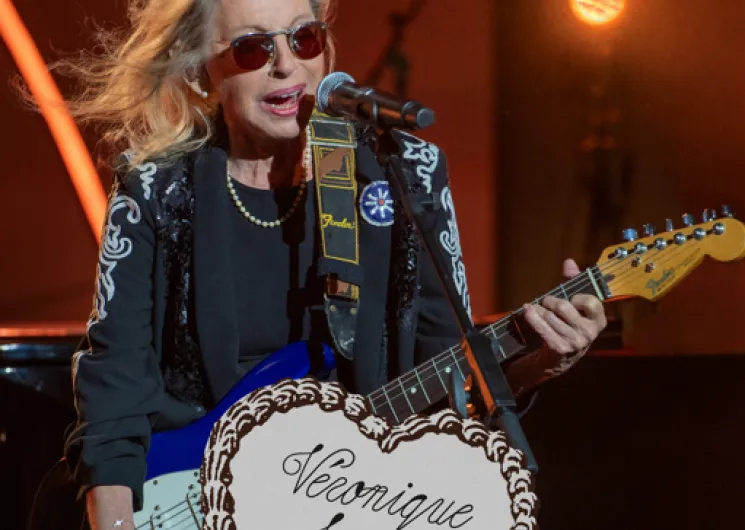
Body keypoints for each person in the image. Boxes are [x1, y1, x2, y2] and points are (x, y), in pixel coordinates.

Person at [36, 0, 607, 528]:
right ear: (199, 72)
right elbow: (114, 395)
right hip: (185, 498)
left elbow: (446, 381)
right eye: (253, 48)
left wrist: (538, 363)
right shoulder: (155, 191)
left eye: (303, 39)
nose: (286, 65)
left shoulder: (402, 173)